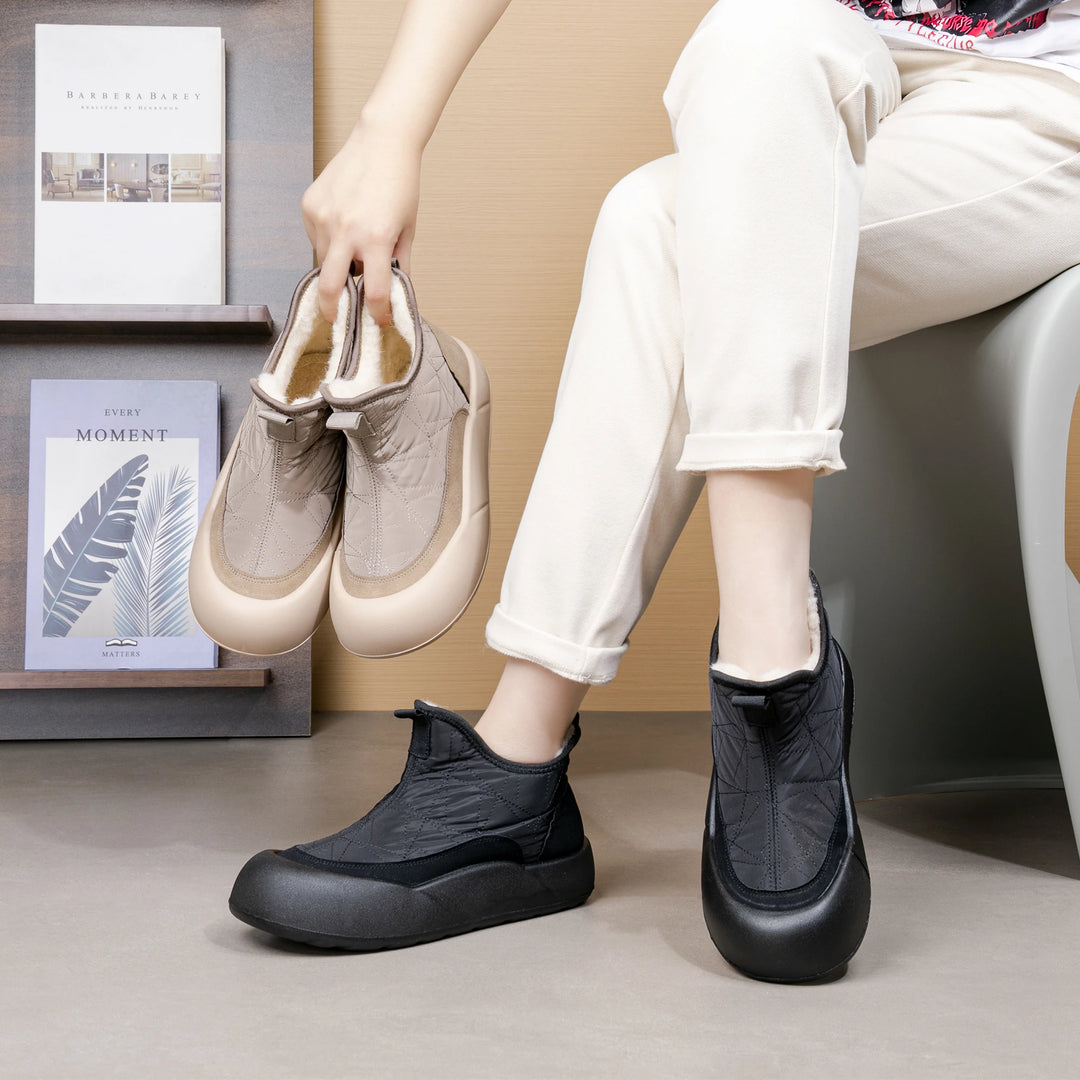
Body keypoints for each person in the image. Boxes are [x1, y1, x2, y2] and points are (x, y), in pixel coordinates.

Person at [227, 0, 1080, 981]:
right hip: (841, 58)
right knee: (757, 31)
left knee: (657, 227)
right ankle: (727, 695)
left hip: (1048, 94)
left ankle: (645, 716)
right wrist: (390, 132)